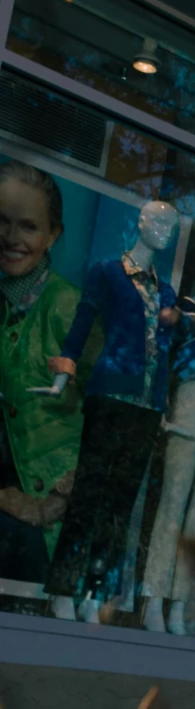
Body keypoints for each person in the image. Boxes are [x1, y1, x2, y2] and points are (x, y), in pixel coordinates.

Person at [0, 161, 84, 576]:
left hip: (45, 525)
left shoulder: (69, 307)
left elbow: (113, 418)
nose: (11, 238)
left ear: (53, 235)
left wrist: (53, 502)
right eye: (2, 221)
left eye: (29, 226)